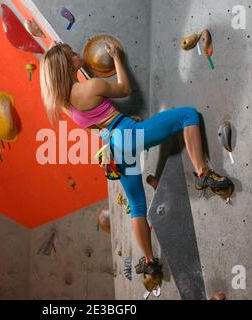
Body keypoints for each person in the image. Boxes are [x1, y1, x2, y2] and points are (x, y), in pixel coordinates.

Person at [39, 42, 232, 277]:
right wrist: (117, 57)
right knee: (187, 115)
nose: (77, 54)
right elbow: (124, 88)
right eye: (72, 54)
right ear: (67, 64)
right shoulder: (90, 86)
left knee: (137, 206)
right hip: (128, 135)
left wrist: (117, 119)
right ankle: (203, 174)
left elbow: (96, 124)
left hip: (112, 148)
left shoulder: (65, 105)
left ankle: (150, 262)